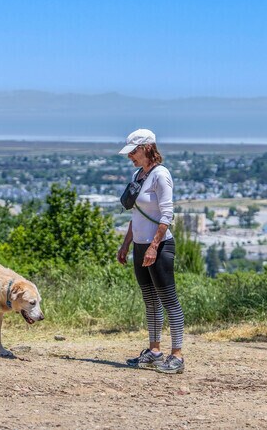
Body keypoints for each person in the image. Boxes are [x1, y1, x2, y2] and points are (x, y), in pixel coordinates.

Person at [116, 129, 185, 374]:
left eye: (133, 152)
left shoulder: (160, 175)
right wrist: (126, 245)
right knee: (150, 300)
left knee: (168, 300)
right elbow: (136, 216)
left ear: (146, 148)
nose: (130, 157)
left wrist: (154, 246)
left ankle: (177, 355)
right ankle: (154, 351)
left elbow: (167, 215)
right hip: (140, 245)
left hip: (160, 245)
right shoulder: (139, 174)